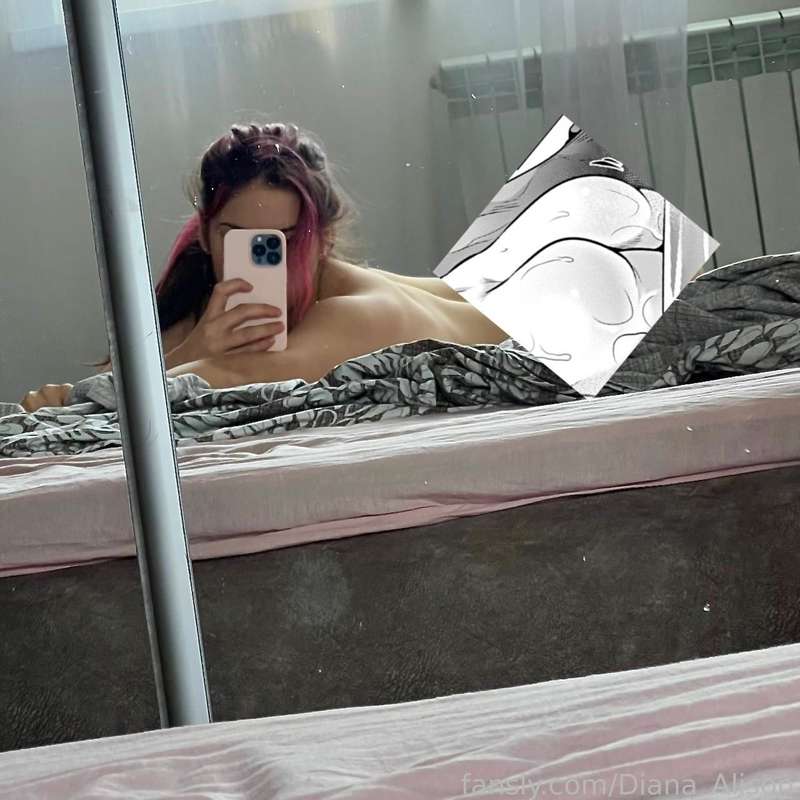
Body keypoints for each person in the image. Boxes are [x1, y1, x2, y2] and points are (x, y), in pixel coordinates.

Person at [20, 122, 508, 413]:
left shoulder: (359, 313)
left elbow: (226, 373)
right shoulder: (202, 290)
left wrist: (73, 400)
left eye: (282, 241)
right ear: (205, 234)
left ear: (323, 241)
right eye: (237, 236)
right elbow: (148, 371)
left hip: (534, 316)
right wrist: (194, 344)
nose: (259, 257)